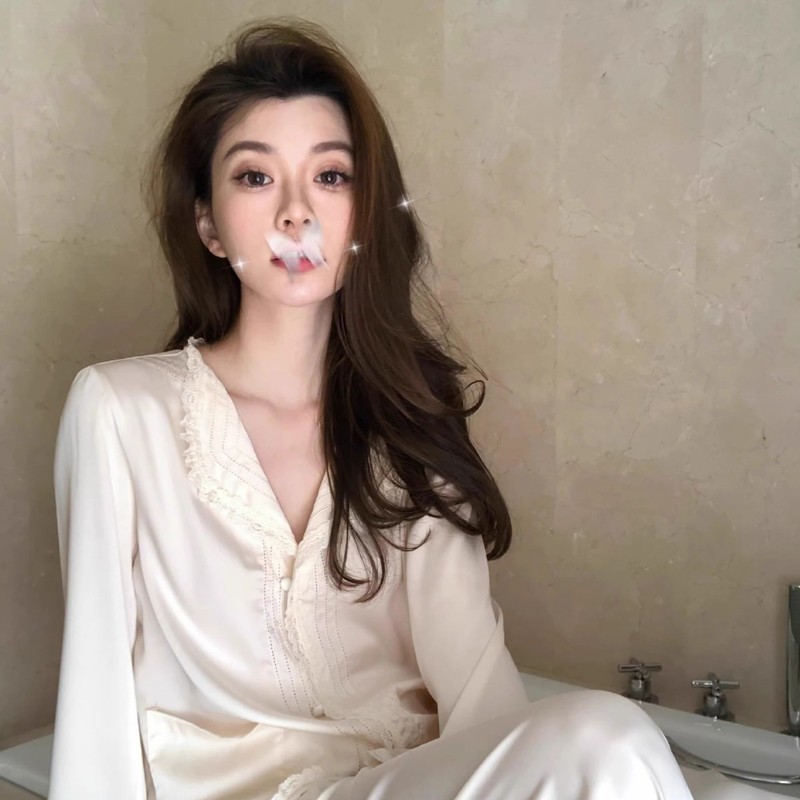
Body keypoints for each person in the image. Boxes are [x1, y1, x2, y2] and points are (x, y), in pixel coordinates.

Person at [49, 16, 694, 800]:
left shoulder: (409, 416)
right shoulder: (122, 411)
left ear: (365, 212)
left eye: (331, 176)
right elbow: (96, 698)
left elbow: (477, 691)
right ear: (208, 224)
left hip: (399, 783)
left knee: (643, 759)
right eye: (255, 177)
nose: (297, 213)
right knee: (609, 736)